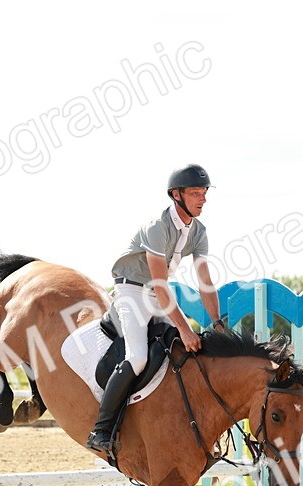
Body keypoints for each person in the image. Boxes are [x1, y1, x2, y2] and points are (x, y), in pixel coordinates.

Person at [86, 163, 223, 458]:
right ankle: (101, 429)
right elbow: (161, 286)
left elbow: (206, 282)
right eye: (196, 193)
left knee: (184, 352)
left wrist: (217, 322)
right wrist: (185, 328)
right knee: (137, 356)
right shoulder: (157, 228)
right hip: (131, 289)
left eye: (205, 193)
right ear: (176, 195)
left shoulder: (199, 232)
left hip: (155, 293)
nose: (203, 199)